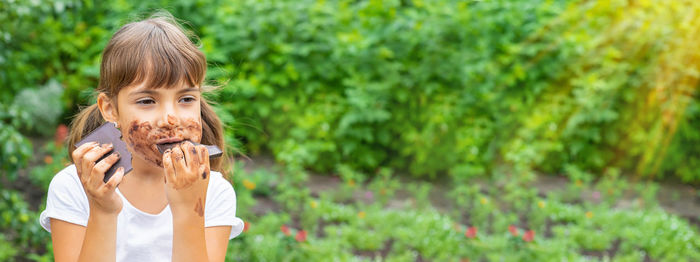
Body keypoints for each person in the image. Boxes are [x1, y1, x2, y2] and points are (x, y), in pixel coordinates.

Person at [39, 12, 244, 262]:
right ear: (110, 109)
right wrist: (103, 210)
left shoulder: (213, 191)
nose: (171, 118)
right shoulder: (75, 187)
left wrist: (189, 209)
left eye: (186, 99)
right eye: (147, 101)